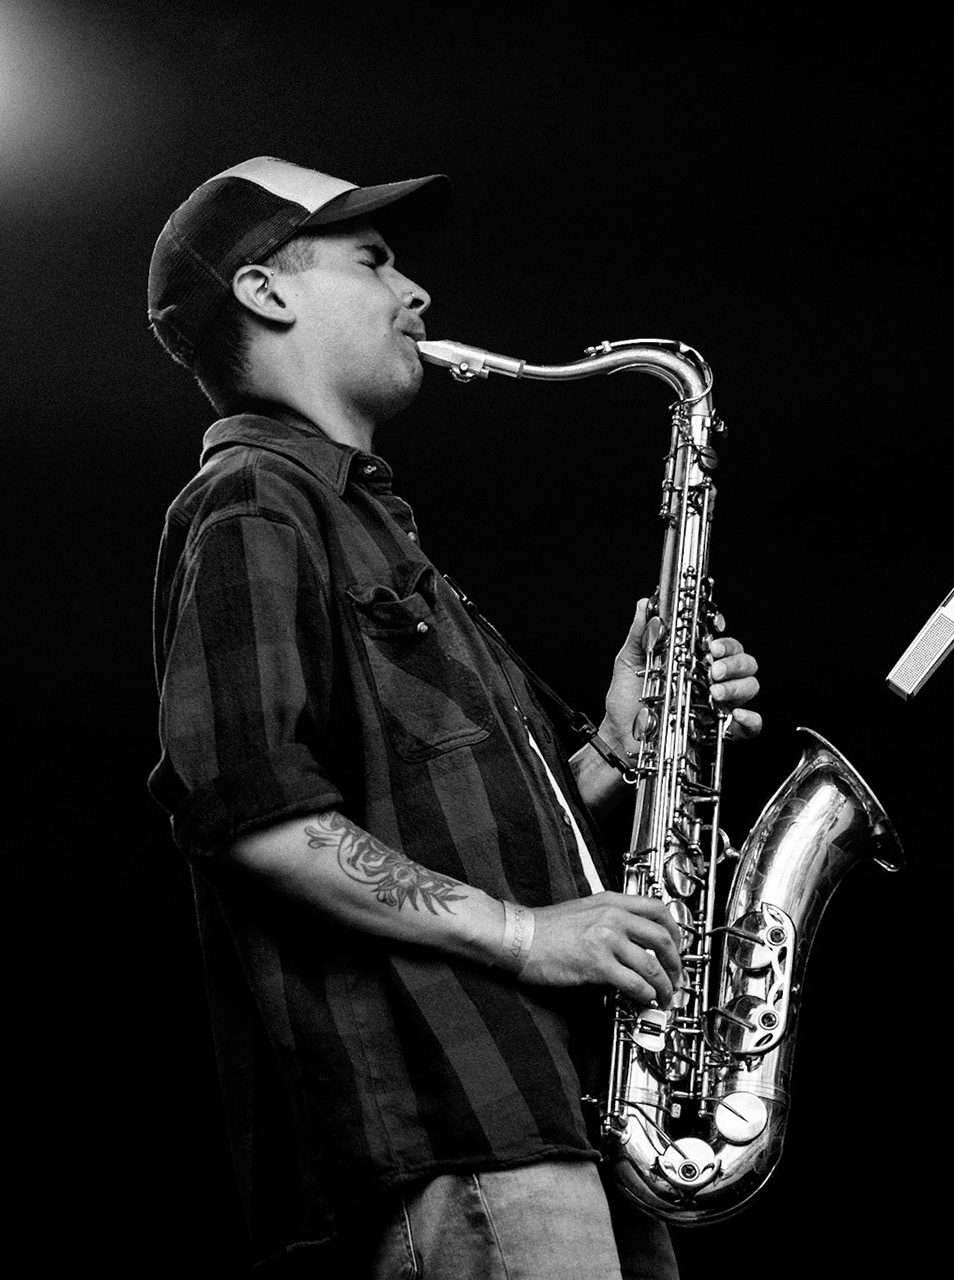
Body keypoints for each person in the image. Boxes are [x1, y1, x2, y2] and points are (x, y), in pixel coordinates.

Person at [146, 156, 761, 1278]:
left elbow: (441, 818)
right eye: (376, 261)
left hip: (566, 1113)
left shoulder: (385, 541)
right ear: (265, 292)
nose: (417, 294)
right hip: (462, 1124)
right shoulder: (251, 504)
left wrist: (627, 744)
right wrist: (532, 935)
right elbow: (250, 811)